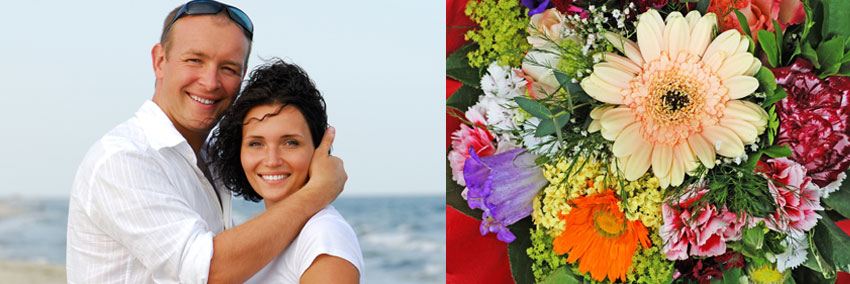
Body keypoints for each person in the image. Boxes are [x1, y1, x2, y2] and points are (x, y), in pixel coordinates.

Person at [66, 1, 346, 283]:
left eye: (227, 68)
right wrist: (318, 191)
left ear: (242, 76)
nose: (210, 82)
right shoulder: (123, 159)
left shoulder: (211, 159)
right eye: (195, 60)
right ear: (160, 61)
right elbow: (206, 271)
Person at [209, 59, 363, 283]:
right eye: (256, 143)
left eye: (290, 143)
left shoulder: (324, 236)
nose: (272, 160)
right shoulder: (262, 237)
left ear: (319, 148)